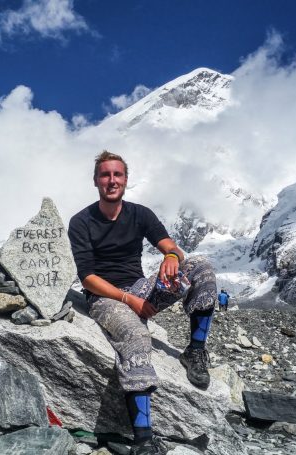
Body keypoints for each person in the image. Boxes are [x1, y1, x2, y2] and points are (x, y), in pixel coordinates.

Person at [68, 151, 217, 455]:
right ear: (96, 181)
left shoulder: (140, 214)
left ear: (125, 180)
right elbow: (87, 278)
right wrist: (129, 300)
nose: (112, 180)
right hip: (105, 298)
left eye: (117, 175)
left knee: (200, 266)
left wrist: (171, 257)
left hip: (140, 288)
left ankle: (195, 351)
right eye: (105, 175)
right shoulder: (81, 221)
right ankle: (143, 440)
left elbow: (170, 246)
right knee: (136, 335)